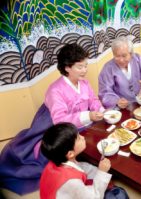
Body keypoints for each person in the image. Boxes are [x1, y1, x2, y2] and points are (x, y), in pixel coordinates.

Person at [0, 43, 105, 194]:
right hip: (56, 126)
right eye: (80, 67)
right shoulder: (55, 90)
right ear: (67, 67)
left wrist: (101, 110)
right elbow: (60, 119)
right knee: (54, 156)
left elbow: (93, 100)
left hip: (79, 122)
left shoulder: (84, 82)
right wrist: (88, 115)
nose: (85, 70)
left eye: (86, 66)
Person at [40, 122, 128, 199]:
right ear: (70, 154)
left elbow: (80, 168)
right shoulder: (71, 182)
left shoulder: (57, 160)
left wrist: (99, 172)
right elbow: (94, 197)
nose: (82, 137)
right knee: (119, 195)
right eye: (78, 138)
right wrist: (102, 172)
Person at [98, 36, 141, 109]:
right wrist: (116, 101)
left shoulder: (138, 59)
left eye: (124, 56)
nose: (121, 60)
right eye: (117, 56)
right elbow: (104, 92)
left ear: (131, 54)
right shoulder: (108, 68)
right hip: (123, 107)